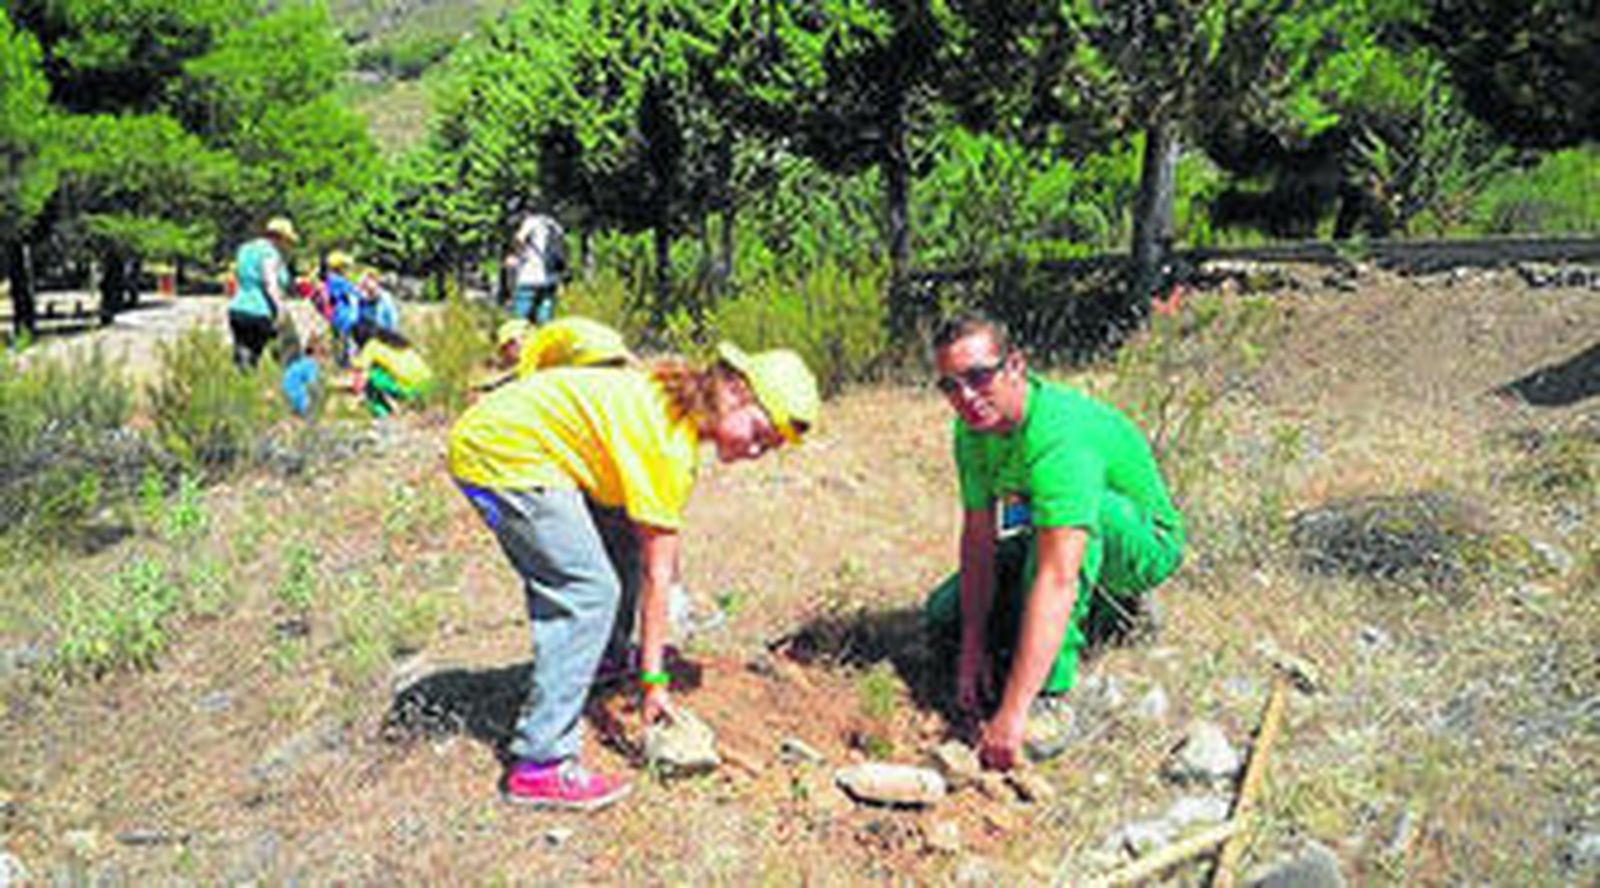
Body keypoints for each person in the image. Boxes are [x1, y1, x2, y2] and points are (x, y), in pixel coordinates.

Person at [447, 342, 819, 810]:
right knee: (587, 592)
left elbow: (652, 531)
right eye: (760, 433)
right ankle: (539, 764)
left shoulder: (674, 403)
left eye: (769, 447)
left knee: (621, 529)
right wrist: (654, 679)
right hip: (503, 455)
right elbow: (656, 573)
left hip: (517, 441)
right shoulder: (667, 445)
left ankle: (602, 659)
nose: (756, 451)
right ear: (736, 391)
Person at [924, 313, 1185, 772]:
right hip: (1046, 531)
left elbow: (1058, 576)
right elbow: (979, 539)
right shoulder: (972, 430)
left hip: (1138, 542)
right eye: (949, 386)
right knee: (944, 614)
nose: (965, 396)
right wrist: (972, 645)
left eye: (978, 377)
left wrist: (1014, 711)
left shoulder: (1060, 436)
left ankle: (1053, 693)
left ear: (1015, 367)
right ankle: (1101, 619)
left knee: (1075, 532)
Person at [228, 217, 297, 368]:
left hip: (237, 308)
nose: (288, 246)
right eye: (287, 241)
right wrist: (280, 309)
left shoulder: (245, 249)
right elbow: (269, 282)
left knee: (242, 355)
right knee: (267, 353)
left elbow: (238, 277)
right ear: (280, 238)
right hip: (260, 310)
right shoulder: (270, 253)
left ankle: (241, 384)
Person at [351, 326, 434, 417]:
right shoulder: (396, 342)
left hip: (410, 388)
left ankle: (383, 414)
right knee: (380, 373)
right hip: (428, 384)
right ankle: (415, 405)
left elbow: (360, 375)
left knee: (371, 380)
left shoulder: (371, 345)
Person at [504, 213, 566, 324]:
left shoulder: (532, 222)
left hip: (529, 277)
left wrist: (517, 254)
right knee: (545, 320)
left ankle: (518, 339)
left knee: (520, 319)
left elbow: (519, 238)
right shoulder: (555, 225)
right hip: (550, 279)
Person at [324, 251, 361, 367]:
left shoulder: (332, 280)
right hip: (346, 315)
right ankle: (347, 364)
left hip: (339, 315)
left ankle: (342, 362)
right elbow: (350, 295)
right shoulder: (338, 281)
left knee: (341, 341)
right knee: (348, 342)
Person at [281, 333, 325, 419]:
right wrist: (320, 393)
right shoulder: (311, 364)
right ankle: (306, 420)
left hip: (286, 383)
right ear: (317, 355)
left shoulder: (304, 361)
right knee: (306, 406)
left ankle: (296, 414)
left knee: (301, 401)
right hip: (294, 387)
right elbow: (313, 384)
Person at [355, 267, 401, 335]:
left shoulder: (382, 294)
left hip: (368, 320)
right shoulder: (384, 295)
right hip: (374, 323)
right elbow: (391, 313)